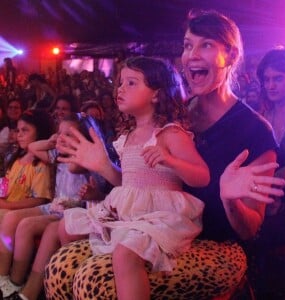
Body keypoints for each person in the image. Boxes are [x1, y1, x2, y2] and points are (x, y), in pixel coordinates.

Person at [44, 10, 285, 300]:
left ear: (231, 56)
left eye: (206, 45)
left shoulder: (256, 132)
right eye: (187, 45)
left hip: (217, 246)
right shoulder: (173, 114)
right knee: (61, 266)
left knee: (93, 280)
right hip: (154, 232)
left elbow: (250, 231)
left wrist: (229, 199)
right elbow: (146, 185)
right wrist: (104, 167)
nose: (192, 55)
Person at [57, 56, 210, 300]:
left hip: (159, 216)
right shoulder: (127, 135)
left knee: (126, 253)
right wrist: (104, 166)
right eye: (120, 83)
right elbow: (127, 183)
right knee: (66, 226)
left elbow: (202, 176)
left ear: (156, 94)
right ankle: (80, 289)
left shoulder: (170, 133)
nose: (120, 89)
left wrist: (171, 161)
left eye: (131, 83)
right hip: (128, 210)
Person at [0, 114, 92, 299]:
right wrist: (53, 141)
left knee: (31, 226)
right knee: (10, 218)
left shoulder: (84, 161)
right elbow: (33, 147)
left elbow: (75, 169)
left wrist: (68, 145)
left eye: (68, 134)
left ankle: (23, 288)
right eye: (59, 133)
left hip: (72, 210)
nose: (61, 138)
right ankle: (7, 279)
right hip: (54, 207)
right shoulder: (57, 156)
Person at [252, 47, 285, 297]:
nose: (270, 85)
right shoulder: (260, 116)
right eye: (266, 79)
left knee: (257, 237)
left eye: (278, 78)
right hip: (268, 201)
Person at [0, 109, 54, 222]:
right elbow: (5, 182)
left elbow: (39, 200)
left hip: (19, 212)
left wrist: (7, 205)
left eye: (25, 130)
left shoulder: (41, 165)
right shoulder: (15, 160)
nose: (19, 134)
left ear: (40, 132)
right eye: (18, 130)